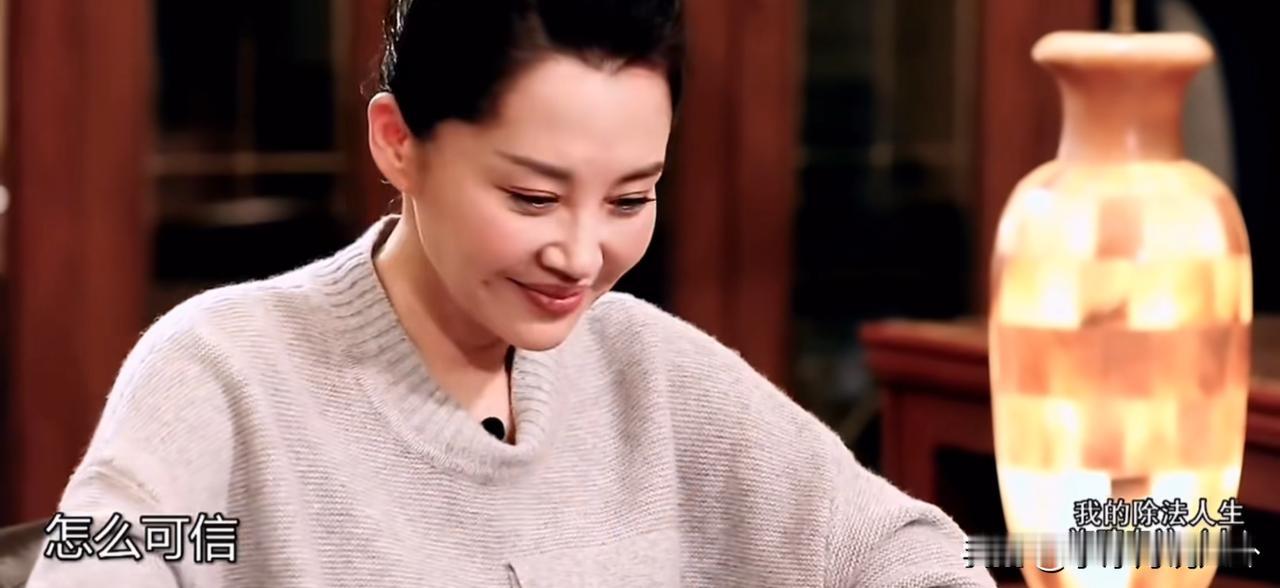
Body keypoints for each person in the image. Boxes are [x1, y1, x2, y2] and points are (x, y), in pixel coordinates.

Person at [28, 0, 995, 586]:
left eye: (631, 198)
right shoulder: (226, 373)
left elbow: (903, 550)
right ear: (397, 143)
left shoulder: (647, 371)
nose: (580, 255)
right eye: (532, 197)